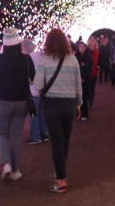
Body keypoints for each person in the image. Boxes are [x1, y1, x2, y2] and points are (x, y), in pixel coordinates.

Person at [33, 28, 83, 194]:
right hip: (69, 104)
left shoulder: (43, 60)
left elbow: (38, 85)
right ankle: (60, 171)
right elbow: (78, 85)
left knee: (56, 142)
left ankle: (61, 180)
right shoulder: (73, 59)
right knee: (65, 140)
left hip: (52, 104)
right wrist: (79, 104)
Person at [0, 28, 34, 181]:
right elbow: (33, 77)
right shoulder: (26, 59)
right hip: (21, 101)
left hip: (3, 100)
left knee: (2, 134)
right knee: (15, 135)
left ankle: (6, 164)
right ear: (18, 42)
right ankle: (15, 170)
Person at [22, 39, 49, 145]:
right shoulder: (40, 56)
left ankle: (35, 136)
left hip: (32, 91)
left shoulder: (27, 59)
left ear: (25, 48)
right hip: (42, 89)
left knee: (33, 114)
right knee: (41, 113)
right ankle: (44, 134)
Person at [75, 41, 93, 121]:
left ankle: (85, 114)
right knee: (77, 98)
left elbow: (89, 70)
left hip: (84, 81)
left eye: (83, 47)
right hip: (76, 81)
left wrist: (84, 78)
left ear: (86, 48)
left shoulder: (88, 57)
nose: (81, 48)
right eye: (80, 47)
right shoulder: (76, 57)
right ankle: (78, 114)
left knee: (84, 98)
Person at [86, 36, 100, 110]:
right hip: (86, 74)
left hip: (94, 73)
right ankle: (87, 101)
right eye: (91, 43)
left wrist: (97, 69)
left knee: (91, 89)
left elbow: (99, 63)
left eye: (93, 43)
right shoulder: (86, 52)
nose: (92, 45)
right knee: (86, 88)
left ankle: (90, 103)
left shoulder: (97, 52)